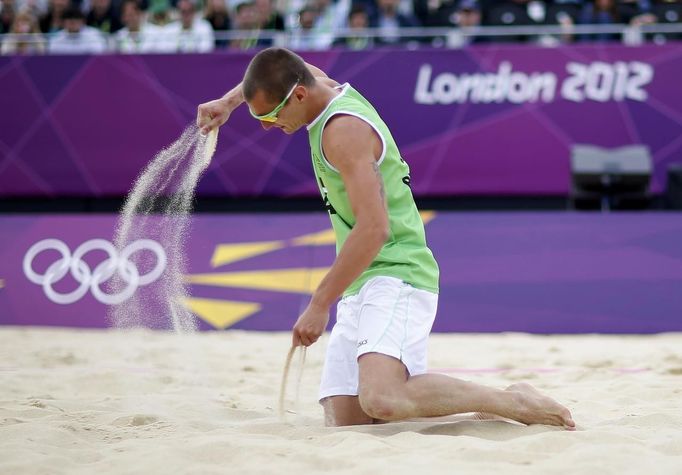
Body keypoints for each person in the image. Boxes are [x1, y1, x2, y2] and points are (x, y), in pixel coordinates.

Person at [196, 47, 576, 429]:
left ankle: (513, 401)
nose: (265, 126)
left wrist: (319, 302)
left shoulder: (343, 131)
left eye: (270, 115)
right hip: (362, 275)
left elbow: (374, 229)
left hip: (397, 269)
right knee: (347, 423)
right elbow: (280, 62)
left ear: (298, 96)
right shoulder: (315, 86)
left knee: (384, 399)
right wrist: (229, 103)